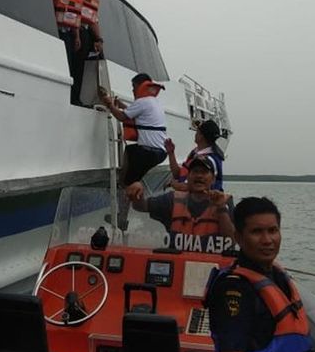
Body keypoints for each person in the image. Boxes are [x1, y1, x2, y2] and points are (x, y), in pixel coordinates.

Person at [205, 197, 315, 352]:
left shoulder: (278, 277)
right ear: (239, 237)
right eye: (256, 232)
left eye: (273, 230)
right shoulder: (235, 290)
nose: (267, 240)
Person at [100, 73, 168, 229]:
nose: (132, 90)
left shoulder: (143, 102)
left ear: (140, 86)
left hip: (148, 151)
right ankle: (127, 186)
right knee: (131, 152)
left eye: (133, 87)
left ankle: (123, 215)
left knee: (128, 181)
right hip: (160, 152)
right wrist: (121, 104)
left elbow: (123, 117)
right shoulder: (154, 102)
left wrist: (110, 105)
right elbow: (135, 113)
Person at [126, 156, 235, 253]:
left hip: (211, 267)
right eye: (195, 171)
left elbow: (231, 242)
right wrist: (137, 193)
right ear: (188, 177)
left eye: (204, 172)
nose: (199, 176)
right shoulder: (172, 200)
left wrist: (221, 208)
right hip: (176, 265)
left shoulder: (224, 202)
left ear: (213, 179)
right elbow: (140, 206)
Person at [72, 0, 104, 106]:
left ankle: (97, 96)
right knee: (76, 66)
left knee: (96, 61)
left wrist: (99, 39)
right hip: (74, 31)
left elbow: (93, 20)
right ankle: (74, 97)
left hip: (86, 32)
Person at [50, 0, 82, 104]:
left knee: (67, 63)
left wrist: (77, 36)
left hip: (67, 33)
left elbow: (74, 16)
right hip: (53, 30)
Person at [166, 119, 225, 191]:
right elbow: (178, 174)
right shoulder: (195, 153)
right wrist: (171, 153)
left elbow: (195, 187)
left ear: (201, 136)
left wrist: (174, 184)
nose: (195, 134)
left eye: (197, 132)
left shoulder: (210, 159)